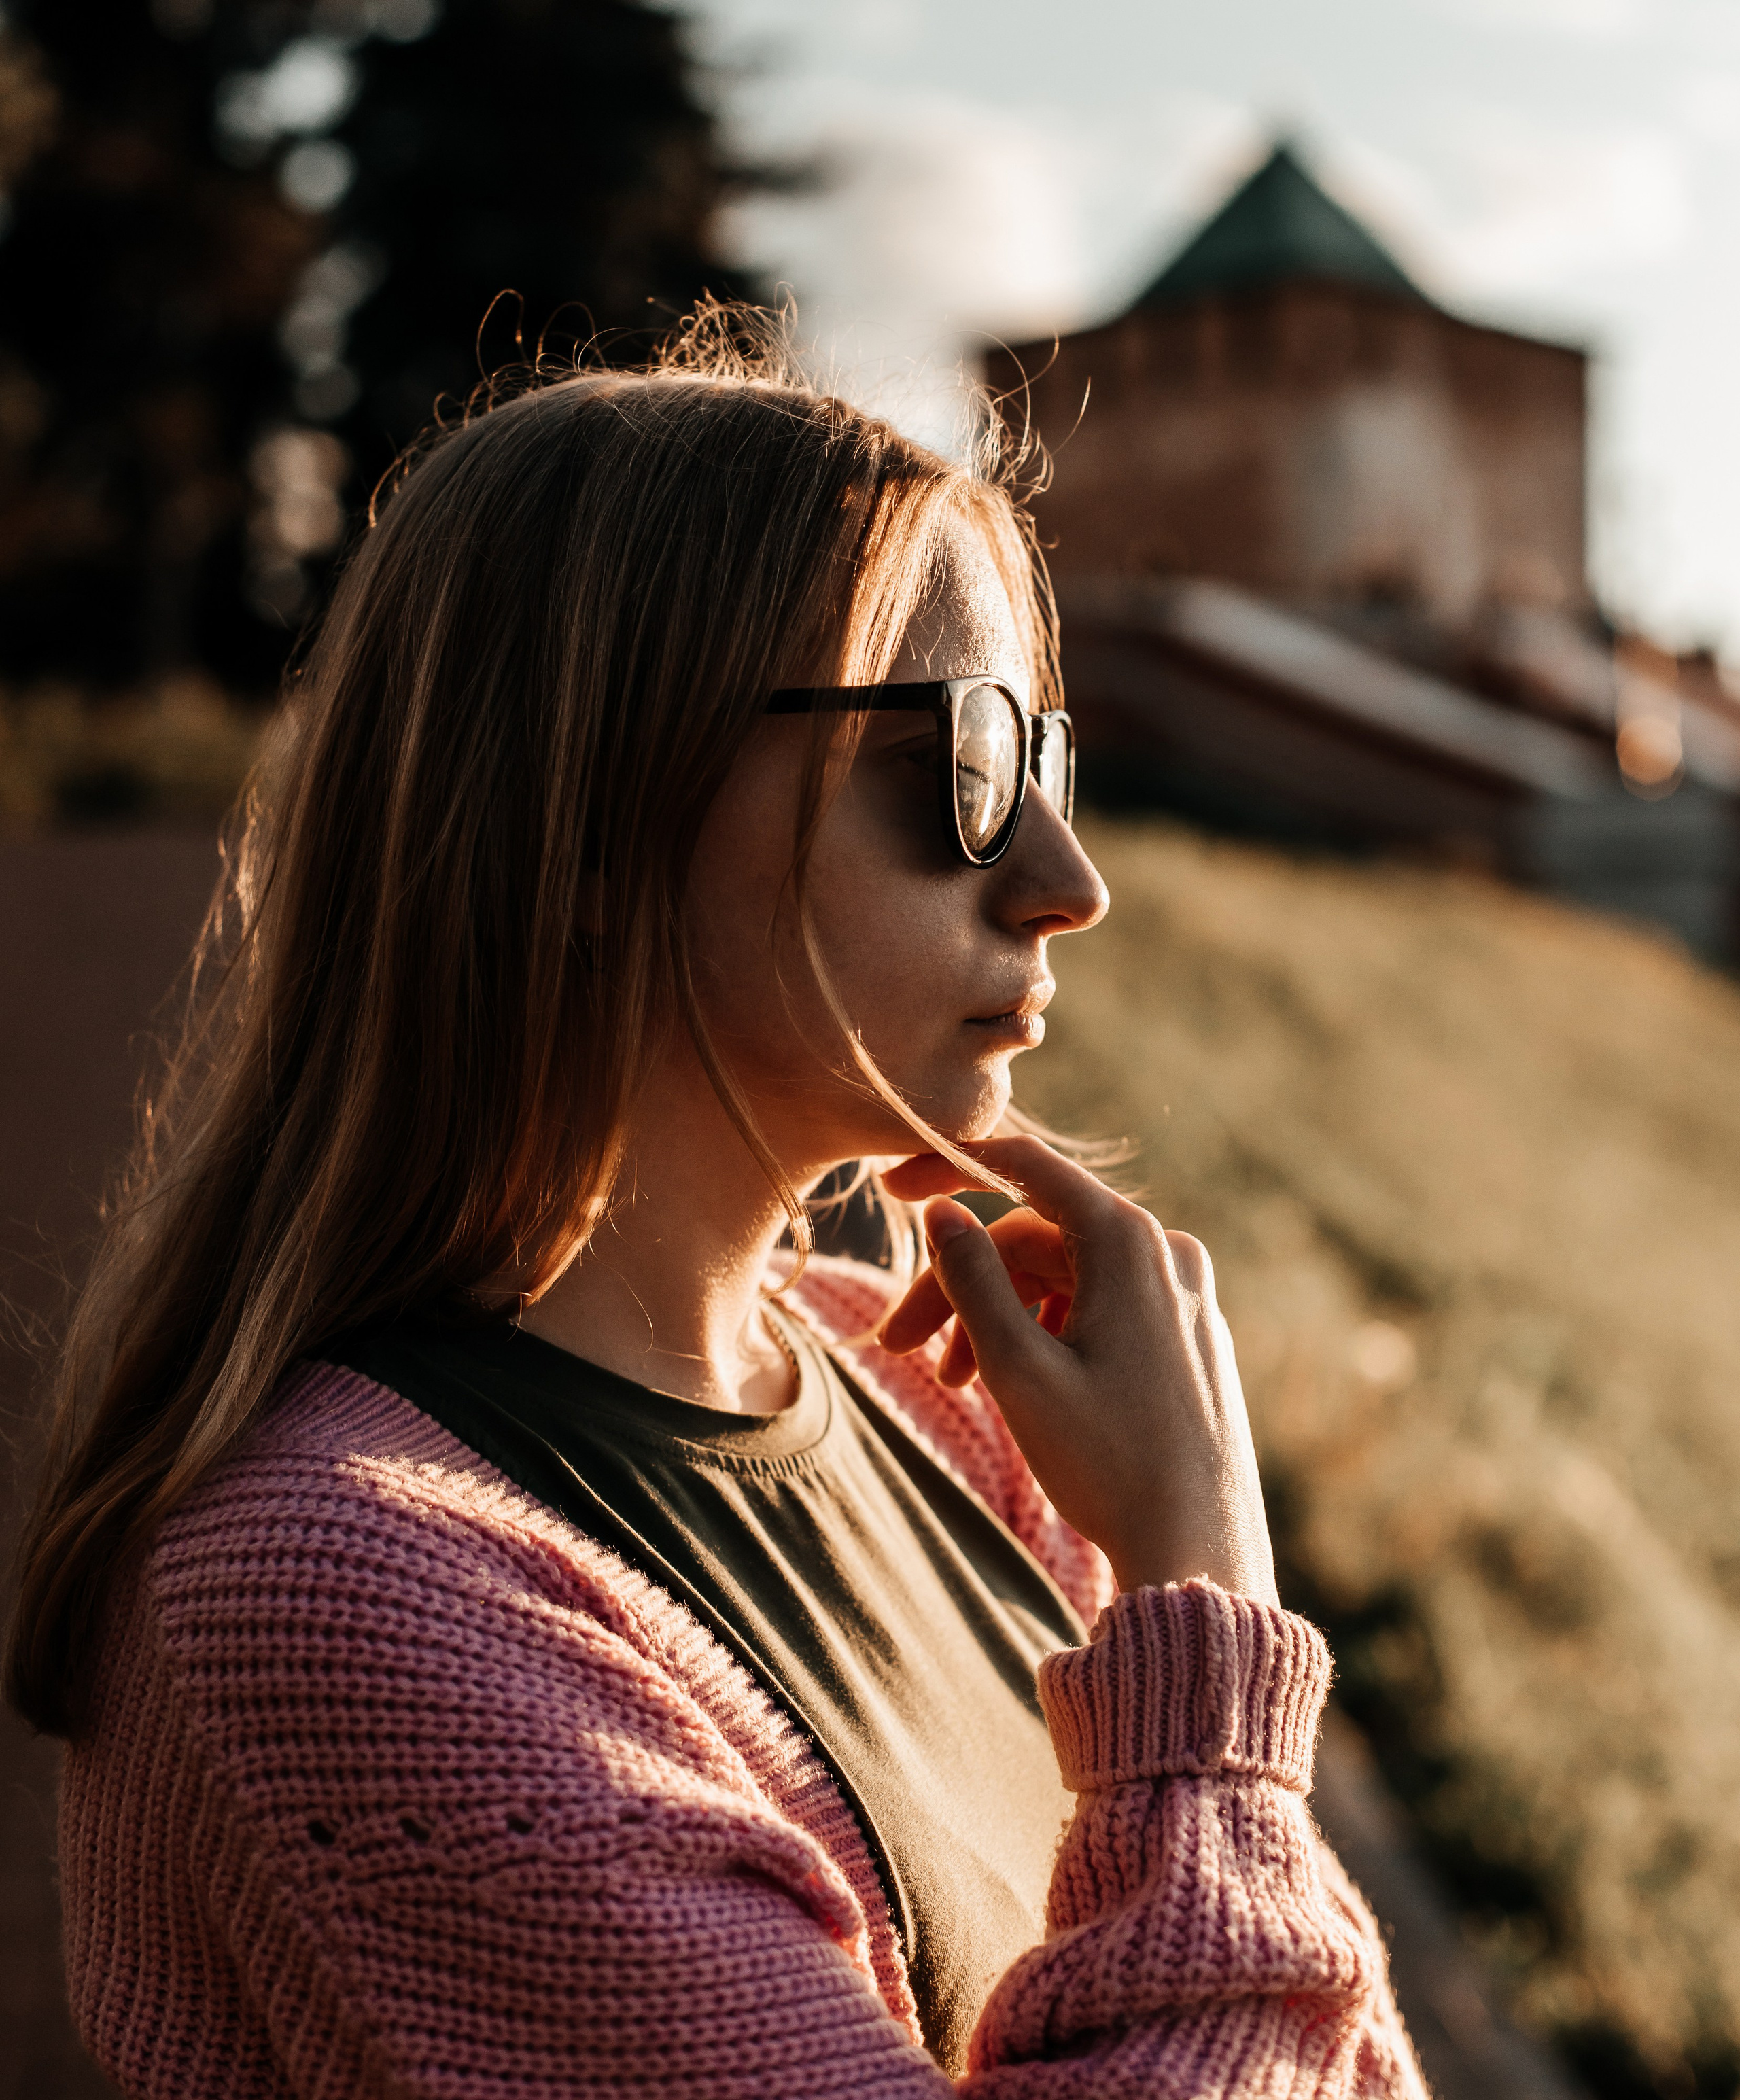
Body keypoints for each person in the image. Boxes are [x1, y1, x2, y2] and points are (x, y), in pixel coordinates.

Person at [7, 307, 1425, 2097]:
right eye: (960, 771)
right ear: (591, 821)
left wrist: (1175, 1616)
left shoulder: (947, 1400)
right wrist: (1210, 1628)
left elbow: (1320, 2049)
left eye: (1048, 766)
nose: (1069, 883)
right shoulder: (347, 1600)